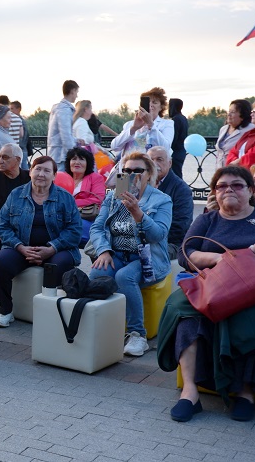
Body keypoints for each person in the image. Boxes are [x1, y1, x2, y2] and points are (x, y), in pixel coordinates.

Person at [157, 165, 255, 423]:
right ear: (214, 193)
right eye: (221, 186)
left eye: (237, 185)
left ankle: (246, 391)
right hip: (214, 284)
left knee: (249, 314)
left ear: (250, 191)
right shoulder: (207, 219)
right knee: (184, 309)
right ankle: (190, 392)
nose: (228, 190)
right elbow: (186, 253)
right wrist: (218, 258)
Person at [88, 152, 172, 357]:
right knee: (96, 275)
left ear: (149, 174)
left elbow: (158, 234)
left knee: (124, 276)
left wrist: (138, 213)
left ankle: (137, 334)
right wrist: (104, 250)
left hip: (148, 258)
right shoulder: (113, 196)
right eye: (126, 171)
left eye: (137, 171)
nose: (131, 174)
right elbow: (97, 228)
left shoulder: (162, 200)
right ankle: (100, 326)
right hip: (117, 253)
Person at [0, 156, 82, 328]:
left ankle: (48, 312)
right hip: (21, 248)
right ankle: (6, 310)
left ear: (55, 175)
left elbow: (75, 231)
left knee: (61, 264)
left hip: (56, 250)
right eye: (38, 169)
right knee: (0, 261)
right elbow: (2, 226)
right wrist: (20, 247)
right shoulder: (16, 195)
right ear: (31, 172)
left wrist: (51, 249)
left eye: (47, 170)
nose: (41, 174)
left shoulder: (65, 198)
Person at [53, 147, 106, 248]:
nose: (77, 162)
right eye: (74, 159)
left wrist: (70, 203)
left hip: (85, 217)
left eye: (81, 159)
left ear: (88, 163)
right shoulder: (61, 177)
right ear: (69, 162)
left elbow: (98, 199)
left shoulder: (95, 177)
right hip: (61, 217)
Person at [148, 146, 194, 260]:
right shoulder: (138, 183)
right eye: (150, 160)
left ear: (170, 163)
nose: (154, 164)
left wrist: (148, 238)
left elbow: (180, 227)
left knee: (145, 255)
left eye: (159, 159)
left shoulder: (181, 189)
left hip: (169, 243)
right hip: (136, 240)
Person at [110, 87, 175, 163]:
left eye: (154, 102)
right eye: (147, 102)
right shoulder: (129, 124)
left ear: (161, 107)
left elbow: (165, 148)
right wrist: (133, 128)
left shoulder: (167, 124)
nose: (150, 105)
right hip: (128, 170)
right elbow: (114, 147)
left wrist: (151, 125)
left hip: (151, 170)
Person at [47, 80, 80, 171]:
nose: (77, 95)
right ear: (72, 91)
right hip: (61, 155)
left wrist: (76, 140)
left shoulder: (58, 108)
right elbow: (65, 135)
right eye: (76, 92)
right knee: (62, 181)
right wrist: (74, 155)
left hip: (56, 153)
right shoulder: (64, 110)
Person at [225, 98, 255, 169]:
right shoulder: (249, 133)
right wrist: (233, 164)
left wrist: (236, 164)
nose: (251, 114)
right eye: (252, 111)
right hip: (240, 174)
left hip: (254, 177)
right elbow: (232, 152)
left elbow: (254, 157)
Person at [215, 99, 253, 168]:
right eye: (229, 111)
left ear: (243, 115)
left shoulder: (250, 129)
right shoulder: (223, 129)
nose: (229, 114)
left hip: (238, 172)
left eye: (233, 112)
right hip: (221, 171)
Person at [169, 98, 189, 179]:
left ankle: (179, 191)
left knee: (175, 175)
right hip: (182, 150)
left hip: (175, 152)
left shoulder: (176, 119)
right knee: (178, 173)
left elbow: (174, 137)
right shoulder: (183, 118)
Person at [10, 101, 31, 170]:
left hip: (21, 149)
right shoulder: (21, 120)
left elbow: (23, 136)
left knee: (23, 169)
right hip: (23, 149)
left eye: (12, 108)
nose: (10, 111)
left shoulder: (19, 121)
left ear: (18, 109)